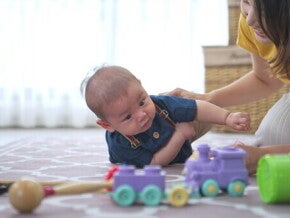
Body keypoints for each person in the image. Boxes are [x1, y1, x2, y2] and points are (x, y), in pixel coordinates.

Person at [165, 0, 290, 174]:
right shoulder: (255, 24)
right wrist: (206, 100)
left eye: (263, 11)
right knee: (271, 139)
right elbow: (265, 78)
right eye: (246, 2)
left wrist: (261, 155)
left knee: (272, 143)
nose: (249, 20)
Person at [81, 65, 250, 168]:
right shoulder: (121, 145)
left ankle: (211, 119)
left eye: (141, 102)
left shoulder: (159, 104)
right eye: (127, 117)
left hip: (174, 128)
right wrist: (179, 135)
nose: (141, 115)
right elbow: (155, 162)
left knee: (199, 110)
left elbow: (197, 107)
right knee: (182, 132)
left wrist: (228, 117)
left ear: (142, 86)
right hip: (166, 146)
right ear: (107, 125)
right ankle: (184, 135)